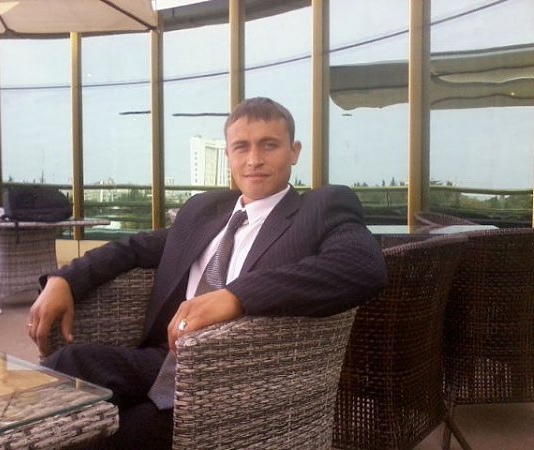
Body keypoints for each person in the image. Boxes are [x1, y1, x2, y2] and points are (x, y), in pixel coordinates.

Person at [28, 97, 387, 449]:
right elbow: (134, 248)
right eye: (241, 147)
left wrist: (237, 296)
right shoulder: (204, 211)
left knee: (123, 432)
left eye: (269, 145)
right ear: (228, 154)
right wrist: (66, 279)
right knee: (66, 365)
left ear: (294, 152)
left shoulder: (321, 208)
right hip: (165, 359)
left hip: (236, 381)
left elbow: (361, 266)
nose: (254, 159)